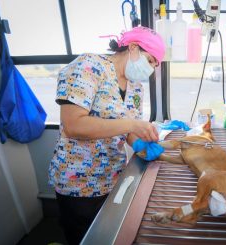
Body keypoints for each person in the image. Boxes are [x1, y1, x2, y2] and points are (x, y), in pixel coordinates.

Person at [48, 26, 165, 245]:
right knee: (82, 237)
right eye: (149, 61)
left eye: (154, 66)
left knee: (106, 236)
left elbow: (128, 130)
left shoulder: (135, 87)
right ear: (132, 48)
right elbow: (73, 124)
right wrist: (132, 124)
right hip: (78, 181)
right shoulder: (88, 66)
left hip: (112, 177)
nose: (150, 70)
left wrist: (141, 144)